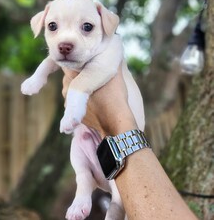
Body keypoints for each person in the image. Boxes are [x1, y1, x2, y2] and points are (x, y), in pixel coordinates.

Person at [62, 67, 198, 220]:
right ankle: (85, 196)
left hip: (114, 146)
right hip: (88, 141)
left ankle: (116, 209)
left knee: (116, 198)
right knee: (83, 175)